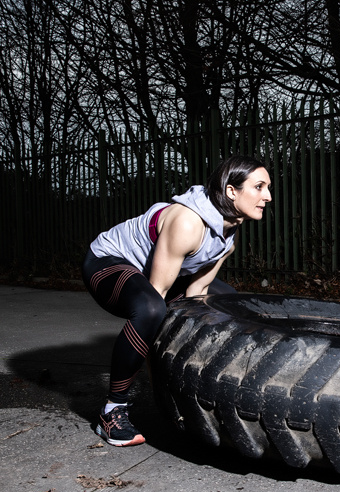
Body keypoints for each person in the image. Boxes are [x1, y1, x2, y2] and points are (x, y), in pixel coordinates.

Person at [81, 155, 272, 447]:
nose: (267, 196)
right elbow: (157, 292)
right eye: (259, 187)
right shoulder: (188, 222)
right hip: (108, 263)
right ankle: (112, 410)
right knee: (150, 309)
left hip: (148, 273)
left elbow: (198, 291)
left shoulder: (229, 232)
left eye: (268, 187)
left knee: (227, 303)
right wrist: (158, 378)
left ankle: (205, 394)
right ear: (232, 191)